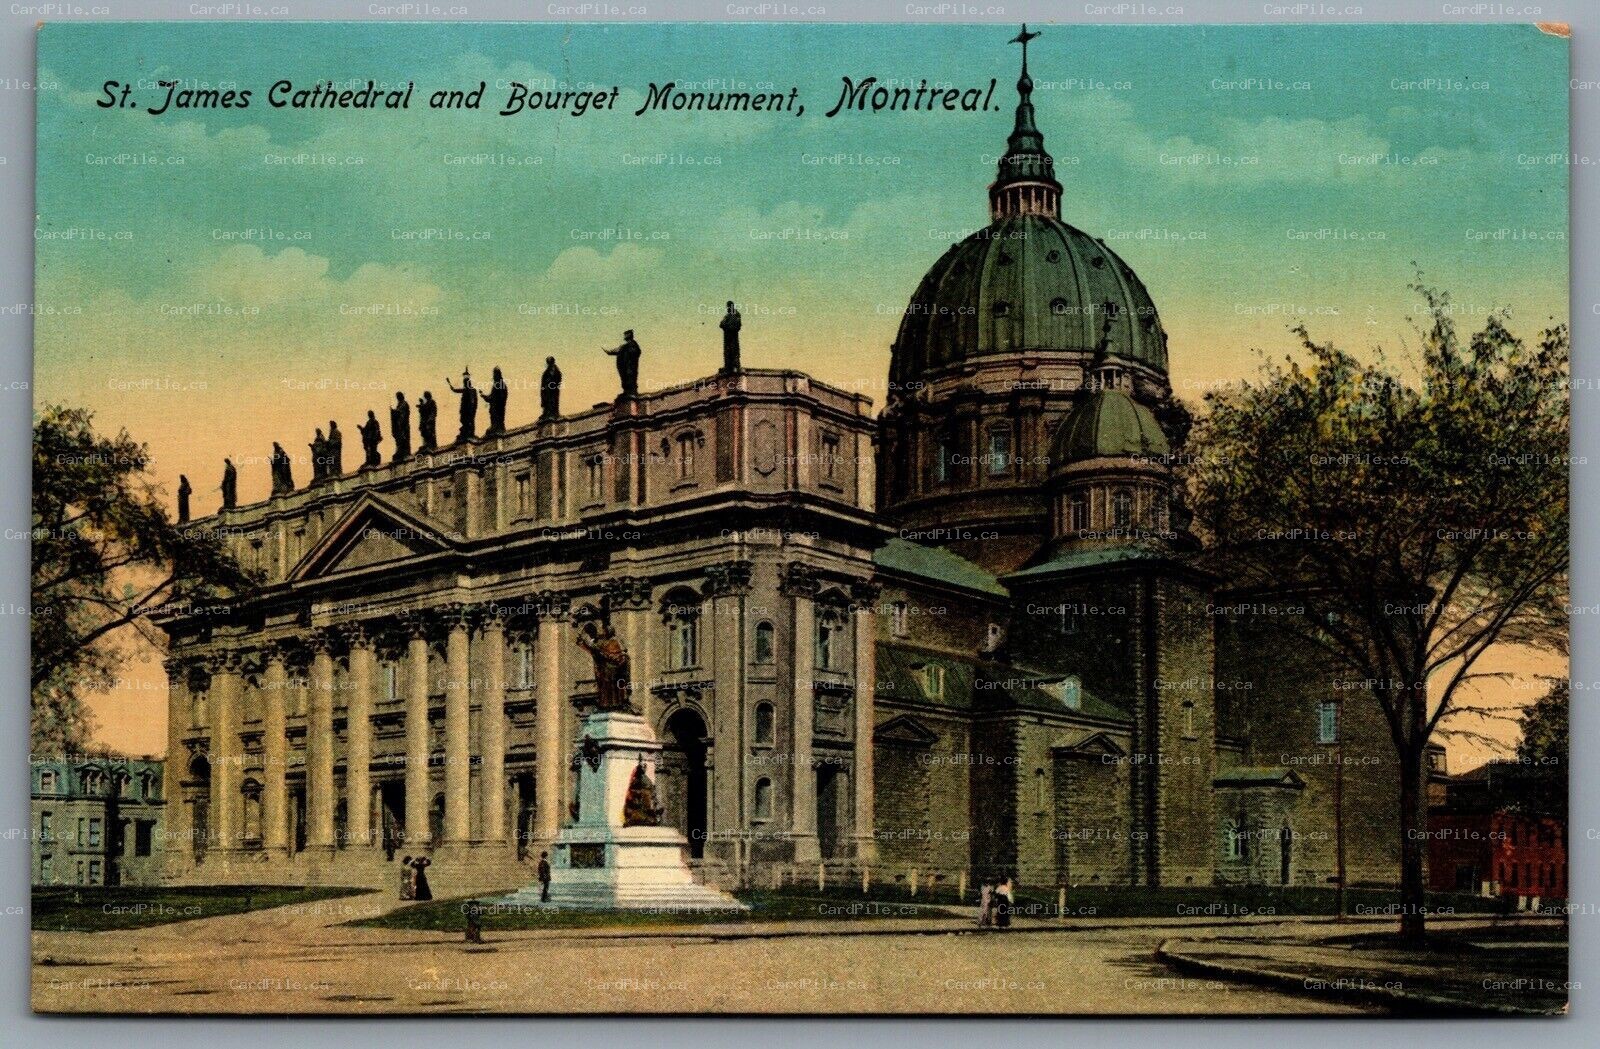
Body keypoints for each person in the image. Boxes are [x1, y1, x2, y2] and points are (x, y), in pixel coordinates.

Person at [604, 329, 642, 398]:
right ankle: (626, 392)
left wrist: (627, 350)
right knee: (625, 379)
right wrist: (609, 351)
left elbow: (637, 352)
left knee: (630, 378)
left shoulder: (633, 344)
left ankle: (632, 392)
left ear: (629, 335)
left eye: (626, 334)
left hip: (630, 366)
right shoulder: (624, 346)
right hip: (624, 366)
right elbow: (614, 351)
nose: (624, 336)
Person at [445, 368, 478, 443]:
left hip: (469, 410)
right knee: (465, 420)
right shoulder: (467, 389)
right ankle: (467, 432)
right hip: (465, 409)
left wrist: (471, 408)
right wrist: (450, 384)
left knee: (469, 421)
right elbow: (455, 390)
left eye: (465, 382)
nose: (464, 383)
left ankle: (469, 433)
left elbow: (473, 401)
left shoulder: (472, 390)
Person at [485, 366, 509, 434]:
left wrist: (492, 400)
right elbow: (491, 396)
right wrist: (485, 396)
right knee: (494, 418)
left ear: (498, 374)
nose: (493, 376)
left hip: (497, 407)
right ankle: (495, 427)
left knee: (497, 419)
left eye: (494, 374)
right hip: (495, 407)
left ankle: (496, 427)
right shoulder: (497, 384)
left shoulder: (500, 384)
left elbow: (501, 397)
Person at [720, 300, 742, 374]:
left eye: (729, 306)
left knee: (734, 351)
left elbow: (737, 325)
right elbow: (721, 324)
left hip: (733, 336)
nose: (728, 308)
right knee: (727, 351)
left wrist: (727, 326)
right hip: (727, 336)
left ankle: (735, 366)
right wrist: (726, 325)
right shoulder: (727, 315)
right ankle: (728, 367)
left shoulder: (736, 314)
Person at [390, 391, 412, 461]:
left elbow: (403, 413)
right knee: (399, 438)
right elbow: (398, 412)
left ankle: (403, 451)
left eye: (398, 397)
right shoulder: (399, 404)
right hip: (399, 425)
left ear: (401, 396)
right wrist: (393, 411)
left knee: (403, 438)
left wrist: (394, 411)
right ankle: (399, 450)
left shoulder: (404, 404)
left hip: (403, 425)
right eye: (397, 397)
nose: (398, 398)